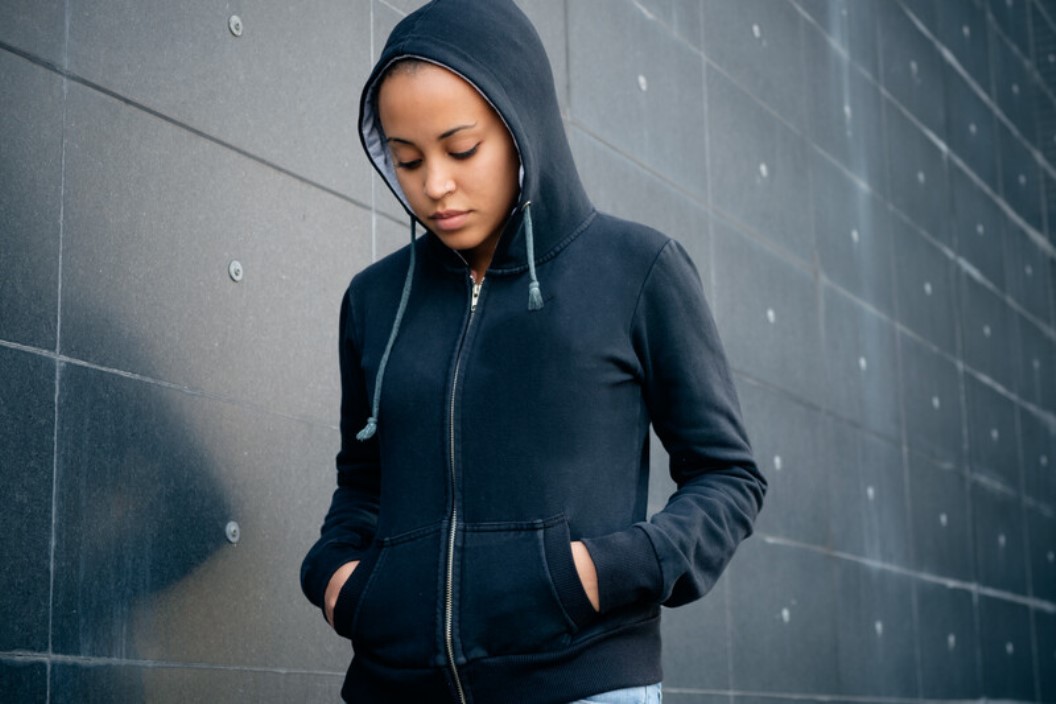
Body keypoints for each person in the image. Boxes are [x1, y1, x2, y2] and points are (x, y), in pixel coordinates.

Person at [300, 2, 766, 702]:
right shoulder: (374, 301)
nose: (434, 185)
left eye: (461, 150)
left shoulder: (636, 270)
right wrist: (339, 578)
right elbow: (362, 482)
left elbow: (728, 477)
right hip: (393, 688)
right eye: (407, 159)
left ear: (525, 126)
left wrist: (596, 573)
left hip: (580, 682)